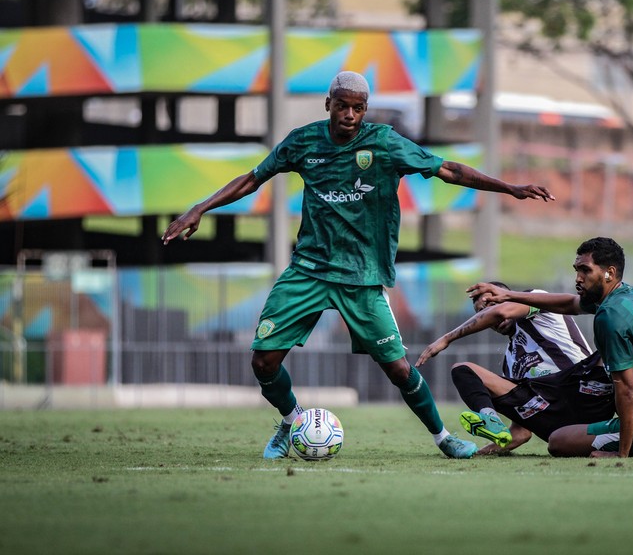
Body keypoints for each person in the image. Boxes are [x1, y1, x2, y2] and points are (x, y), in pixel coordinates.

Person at [161, 71, 554, 460]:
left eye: (358, 108)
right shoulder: (303, 141)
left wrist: (509, 188)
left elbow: (448, 169)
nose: (350, 114)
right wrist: (200, 208)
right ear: (328, 104)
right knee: (263, 361)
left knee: (399, 370)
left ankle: (443, 437)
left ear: (365, 110)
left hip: (362, 277)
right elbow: (253, 179)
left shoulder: (383, 143)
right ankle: (291, 421)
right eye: (343, 106)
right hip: (309, 270)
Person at [469, 239, 633, 458]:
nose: (578, 278)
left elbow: (628, 392)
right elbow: (569, 303)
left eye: (585, 270)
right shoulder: (630, 295)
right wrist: (508, 294)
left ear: (609, 273)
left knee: (558, 442)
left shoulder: (608, 318)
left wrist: (621, 453)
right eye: (577, 270)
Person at [415, 275, 633, 454]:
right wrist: (489, 449)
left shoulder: (536, 307)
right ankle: (490, 418)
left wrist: (447, 338)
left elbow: (501, 310)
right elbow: (522, 432)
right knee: (463, 370)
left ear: (507, 296)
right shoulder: (511, 362)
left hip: (587, 386)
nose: (487, 315)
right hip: (557, 411)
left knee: (613, 337)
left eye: (488, 306)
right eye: (480, 313)